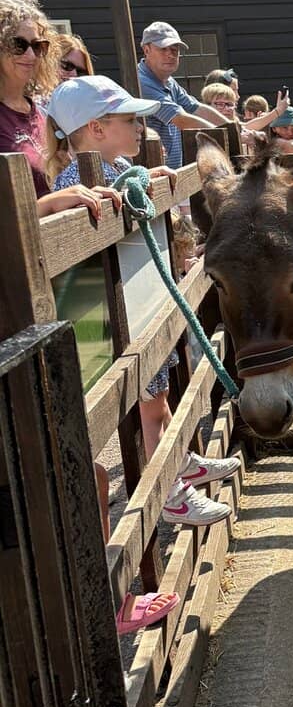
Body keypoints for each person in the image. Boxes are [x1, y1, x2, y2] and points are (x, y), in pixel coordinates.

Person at [45, 75, 240, 529]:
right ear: (96, 128)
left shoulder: (109, 173)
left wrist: (145, 178)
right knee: (152, 404)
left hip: (135, 305)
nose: (141, 130)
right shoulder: (80, 180)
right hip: (116, 316)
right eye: (131, 121)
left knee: (160, 396)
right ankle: (171, 491)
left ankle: (181, 462)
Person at [137, 22, 227, 168]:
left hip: (170, 173)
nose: (170, 54)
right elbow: (180, 119)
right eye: (163, 49)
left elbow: (196, 108)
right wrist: (224, 135)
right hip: (152, 174)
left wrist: (235, 127)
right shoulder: (141, 83)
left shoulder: (169, 82)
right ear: (146, 50)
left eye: (174, 49)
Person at [0, 0, 60, 201]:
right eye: (18, 45)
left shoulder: (44, 113)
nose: (31, 55)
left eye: (38, 46)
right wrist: (49, 205)